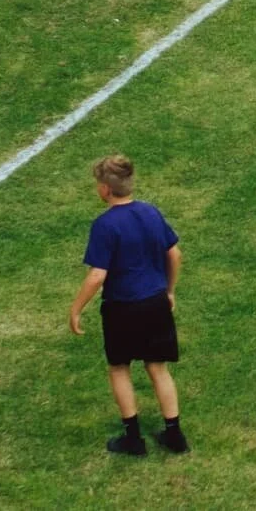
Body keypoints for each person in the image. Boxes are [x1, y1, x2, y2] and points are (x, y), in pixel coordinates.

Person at [69, 155, 188, 456]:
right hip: (155, 302)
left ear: (105, 190)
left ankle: (133, 439)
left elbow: (97, 275)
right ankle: (174, 435)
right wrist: (169, 291)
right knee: (157, 367)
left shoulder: (105, 225)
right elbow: (174, 254)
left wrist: (76, 309)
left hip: (122, 307)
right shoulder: (150, 212)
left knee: (119, 367)